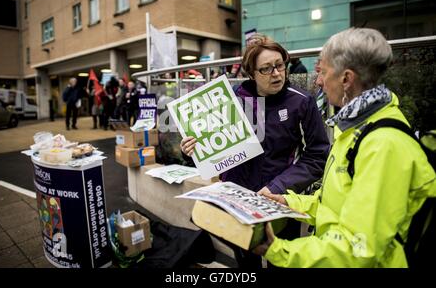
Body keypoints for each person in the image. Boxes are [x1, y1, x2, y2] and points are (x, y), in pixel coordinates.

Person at [253, 28, 436, 267]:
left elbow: (359, 250)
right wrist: (290, 203)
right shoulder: (354, 128)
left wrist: (277, 250)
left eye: (323, 72)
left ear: (346, 79)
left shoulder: (383, 145)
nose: (318, 81)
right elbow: (334, 203)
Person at [180, 34, 330, 267]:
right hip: (237, 200)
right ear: (251, 73)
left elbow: (317, 156)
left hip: (281, 200)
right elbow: (213, 149)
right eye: (266, 69)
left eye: (280, 65)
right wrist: (192, 148)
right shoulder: (230, 101)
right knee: (246, 262)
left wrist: (278, 187)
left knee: (280, 261)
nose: (277, 73)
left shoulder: (301, 102)